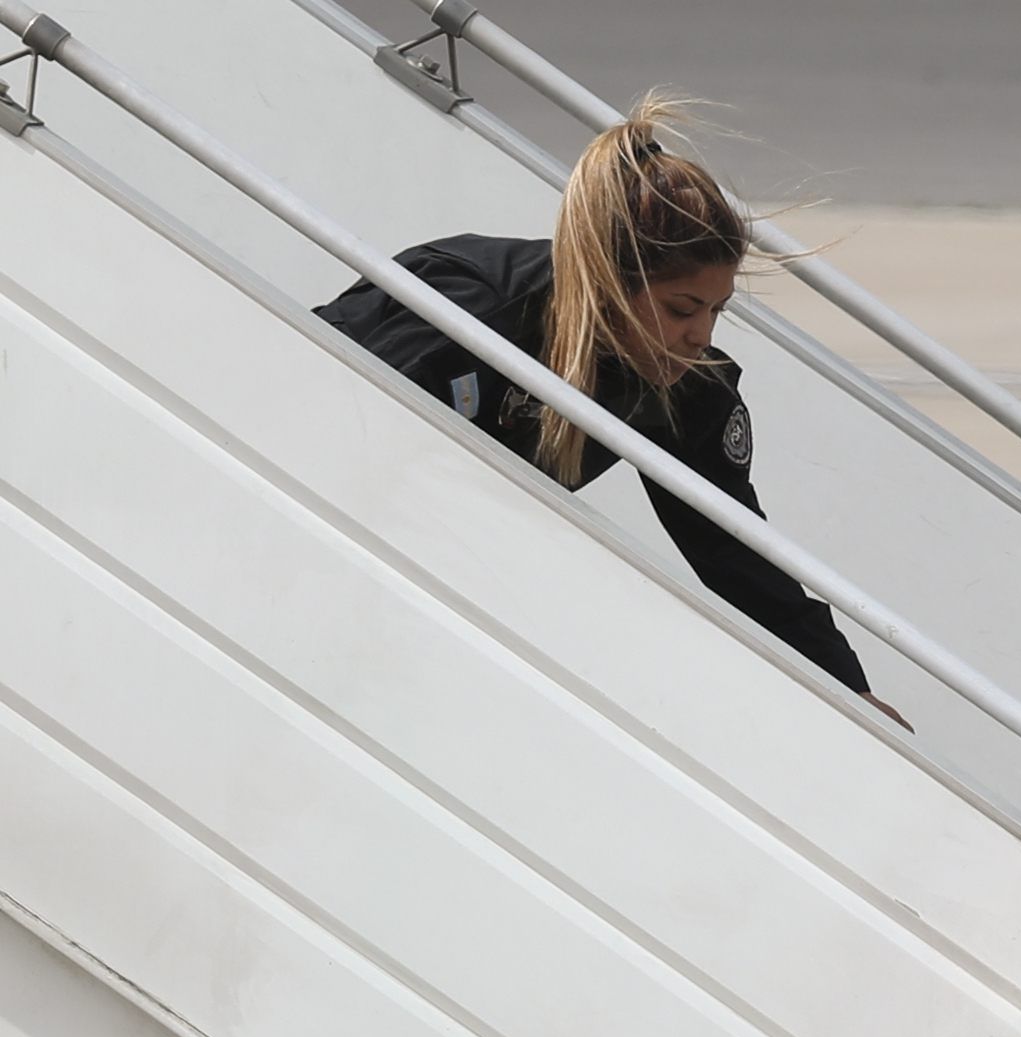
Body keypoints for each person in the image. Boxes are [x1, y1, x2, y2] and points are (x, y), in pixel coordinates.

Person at [316, 98, 893, 719]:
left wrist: (847, 691)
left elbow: (731, 547)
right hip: (336, 534)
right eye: (681, 308)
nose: (701, 334)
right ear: (611, 282)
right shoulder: (468, 307)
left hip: (443, 573)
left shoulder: (687, 385)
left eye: (716, 310)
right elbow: (318, 418)